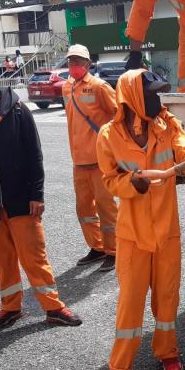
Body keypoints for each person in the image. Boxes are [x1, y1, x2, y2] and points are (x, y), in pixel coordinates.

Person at [97, 69, 185, 370]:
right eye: (151, 94)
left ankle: (167, 351)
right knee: (130, 304)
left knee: (167, 299)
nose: (158, 99)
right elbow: (110, 181)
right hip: (132, 236)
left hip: (167, 233)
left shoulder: (168, 125)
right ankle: (120, 369)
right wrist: (131, 184)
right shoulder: (109, 135)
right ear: (133, 98)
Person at [0, 47, 82, 330]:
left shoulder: (17, 108)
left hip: (21, 199)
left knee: (35, 257)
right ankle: (11, 308)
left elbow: (34, 154)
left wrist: (37, 194)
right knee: (2, 260)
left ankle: (54, 308)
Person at [62, 44, 119, 272]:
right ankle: (97, 247)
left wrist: (113, 148)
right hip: (78, 161)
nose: (74, 65)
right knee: (84, 210)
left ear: (88, 63)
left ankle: (115, 250)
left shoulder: (99, 86)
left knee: (106, 208)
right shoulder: (66, 87)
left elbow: (119, 116)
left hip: (99, 160)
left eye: (78, 61)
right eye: (71, 61)